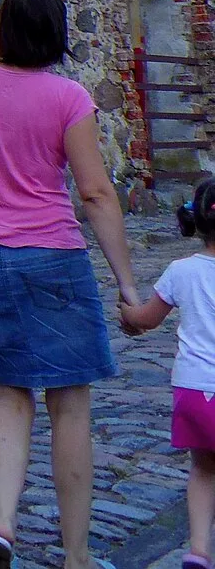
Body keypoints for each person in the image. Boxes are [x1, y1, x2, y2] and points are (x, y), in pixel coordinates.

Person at [0, 0, 139, 569]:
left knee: (9, 396)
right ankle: (76, 557)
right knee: (69, 405)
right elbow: (95, 193)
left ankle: (1, 526)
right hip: (51, 257)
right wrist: (126, 284)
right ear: (56, 33)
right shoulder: (68, 99)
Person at [118, 178, 215, 569]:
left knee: (204, 469)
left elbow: (146, 319)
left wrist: (127, 313)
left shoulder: (180, 271)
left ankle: (198, 550)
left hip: (193, 392)